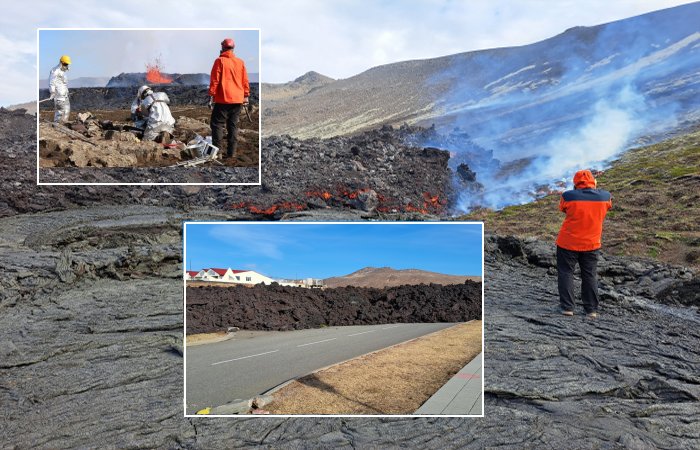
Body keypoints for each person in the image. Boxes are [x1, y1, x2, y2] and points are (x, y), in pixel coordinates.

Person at [555, 169, 612, 318]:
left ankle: (567, 307)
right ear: (593, 181)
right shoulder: (605, 197)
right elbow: (608, 207)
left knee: (566, 272)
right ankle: (591, 309)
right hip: (592, 243)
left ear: (575, 183)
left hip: (568, 242)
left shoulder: (568, 196)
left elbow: (563, 209)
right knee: (590, 275)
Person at [208, 37, 250, 159]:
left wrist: (211, 95)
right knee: (233, 125)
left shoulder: (219, 61)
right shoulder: (240, 62)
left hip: (223, 99)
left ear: (222, 48)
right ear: (233, 48)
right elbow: (245, 81)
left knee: (217, 124)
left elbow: (215, 80)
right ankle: (232, 153)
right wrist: (246, 95)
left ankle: (218, 152)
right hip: (238, 100)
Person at [49, 55, 71, 123]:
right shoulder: (55, 71)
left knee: (67, 110)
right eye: (65, 64)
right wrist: (52, 92)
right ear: (61, 62)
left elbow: (64, 84)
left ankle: (64, 124)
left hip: (65, 95)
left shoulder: (63, 72)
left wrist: (67, 92)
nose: (66, 65)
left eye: (67, 64)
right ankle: (57, 126)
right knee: (60, 112)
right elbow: (51, 82)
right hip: (59, 96)